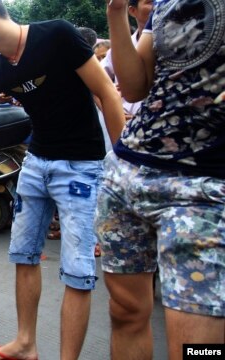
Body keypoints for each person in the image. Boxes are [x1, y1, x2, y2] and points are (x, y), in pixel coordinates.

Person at [0, 1, 125, 359]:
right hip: (36, 162)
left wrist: (125, 169)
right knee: (23, 255)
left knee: (77, 270)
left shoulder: (58, 36)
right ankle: (25, 344)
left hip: (81, 164)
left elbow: (107, 95)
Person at [97, 1, 224, 359]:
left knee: (199, 350)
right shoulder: (166, 3)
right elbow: (135, 87)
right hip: (127, 174)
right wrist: (117, 13)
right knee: (125, 314)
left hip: (205, 186)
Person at [101, 0, 153, 119]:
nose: (156, 4)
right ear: (133, 11)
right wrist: (113, 109)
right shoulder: (117, 50)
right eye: (150, 2)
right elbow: (97, 86)